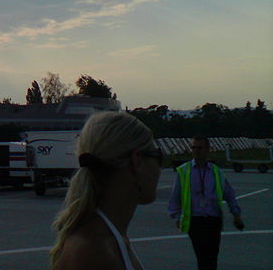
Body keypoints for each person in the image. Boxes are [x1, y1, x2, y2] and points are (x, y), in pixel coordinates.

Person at [50, 111, 163, 269]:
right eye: (158, 156)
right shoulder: (95, 252)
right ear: (137, 161)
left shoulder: (104, 239)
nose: (159, 169)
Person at [167, 136, 244, 270]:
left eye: (200, 148)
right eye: (194, 148)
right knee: (202, 255)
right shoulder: (184, 171)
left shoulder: (216, 171)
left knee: (212, 256)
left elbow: (229, 193)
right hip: (195, 221)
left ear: (208, 150)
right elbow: (175, 196)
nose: (196, 151)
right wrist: (176, 216)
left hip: (213, 220)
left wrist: (236, 214)